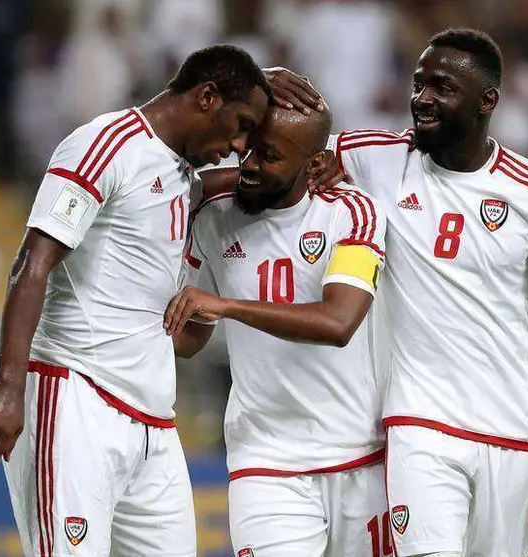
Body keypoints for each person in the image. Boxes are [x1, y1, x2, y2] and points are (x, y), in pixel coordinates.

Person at [270, 28, 528, 556]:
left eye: (442, 87)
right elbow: (276, 145)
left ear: (486, 101)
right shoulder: (373, 156)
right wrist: (264, 82)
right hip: (419, 428)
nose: (421, 98)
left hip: (512, 431)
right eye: (418, 83)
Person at [0, 45, 269, 557]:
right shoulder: (107, 145)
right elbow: (31, 263)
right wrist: (8, 389)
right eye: (239, 125)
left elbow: (264, 178)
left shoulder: (183, 177)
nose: (240, 145)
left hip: (153, 419)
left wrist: (311, 142)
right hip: (75, 398)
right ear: (207, 97)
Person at [164, 103, 390, 557]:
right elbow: (191, 340)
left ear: (312, 165)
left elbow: (337, 322)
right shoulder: (213, 217)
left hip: (360, 456)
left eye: (268, 157)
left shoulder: (352, 213)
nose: (247, 167)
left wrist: (227, 306)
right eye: (246, 152)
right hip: (265, 461)